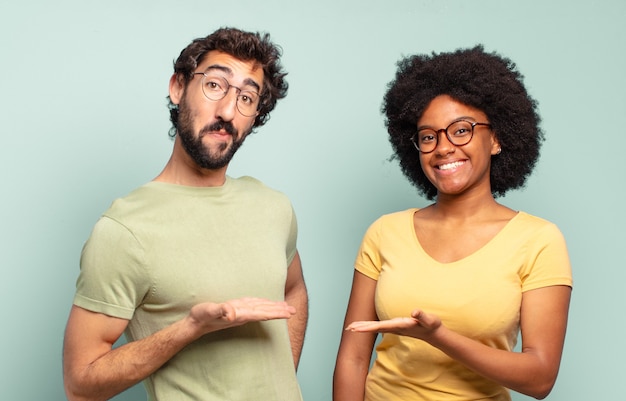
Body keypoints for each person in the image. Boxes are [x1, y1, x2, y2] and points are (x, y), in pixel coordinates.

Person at [63, 27, 308, 401]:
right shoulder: (124, 229)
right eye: (214, 85)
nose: (228, 110)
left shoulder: (273, 206)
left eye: (247, 97)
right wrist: (190, 328)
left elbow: (294, 291)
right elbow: (80, 383)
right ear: (178, 87)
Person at [333, 46, 572, 401]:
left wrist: (440, 337)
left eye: (461, 130)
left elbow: (540, 379)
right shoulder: (385, 232)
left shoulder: (538, 240)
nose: (442, 147)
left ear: (496, 139)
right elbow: (353, 358)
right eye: (428, 136)